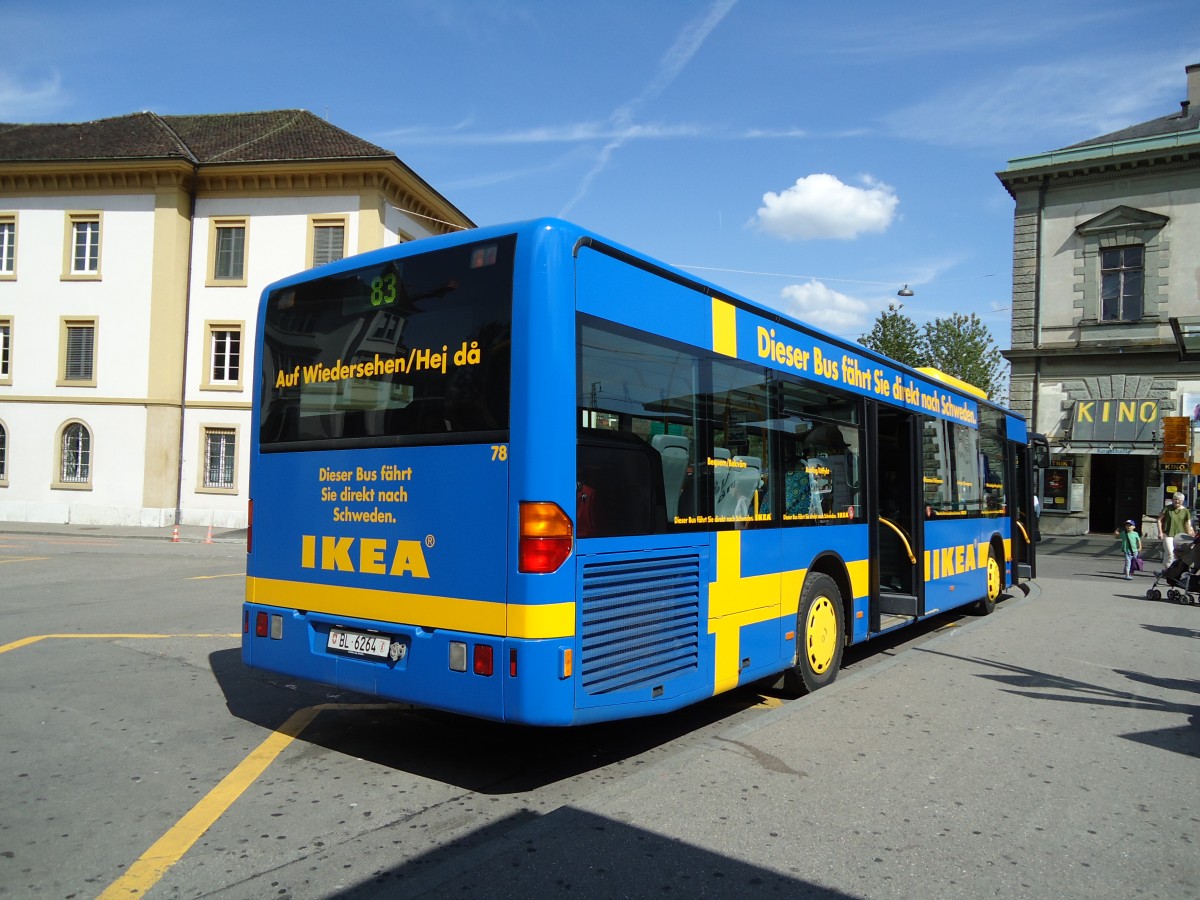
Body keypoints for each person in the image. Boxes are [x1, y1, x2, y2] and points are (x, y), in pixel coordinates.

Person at [1158, 492, 1195, 567]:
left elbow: (1188, 524)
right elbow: (1159, 520)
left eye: (1179, 500)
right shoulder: (1167, 508)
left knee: (1177, 554)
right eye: (1175, 500)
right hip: (1168, 533)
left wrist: (1190, 535)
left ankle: (1169, 568)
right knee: (1170, 552)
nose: (1176, 501)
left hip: (1180, 536)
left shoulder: (1185, 511)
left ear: (1182, 501)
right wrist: (1160, 532)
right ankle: (1167, 569)